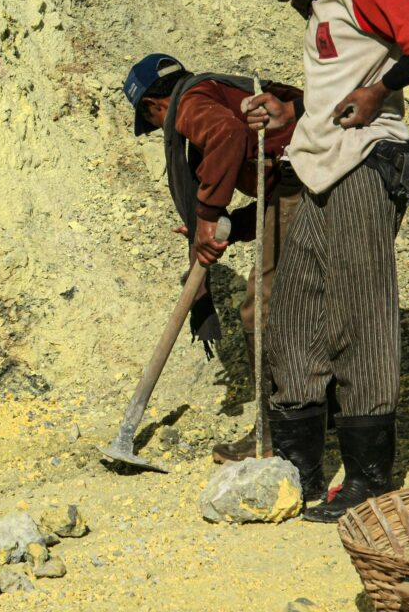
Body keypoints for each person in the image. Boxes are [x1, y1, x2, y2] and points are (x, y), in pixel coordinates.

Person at [227, 0, 409, 522]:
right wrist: (289, 109)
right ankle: (298, 468)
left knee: (359, 316)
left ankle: (367, 480)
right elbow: (337, 79)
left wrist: (383, 90)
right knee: (295, 312)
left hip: (364, 165)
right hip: (319, 166)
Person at [122, 54, 304, 462]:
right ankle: (311, 415)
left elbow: (225, 135)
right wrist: (227, 225)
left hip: (311, 185)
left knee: (263, 310)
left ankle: (275, 432)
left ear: (154, 106)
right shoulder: (216, 93)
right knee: (307, 307)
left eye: (152, 124)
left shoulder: (190, 102)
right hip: (310, 183)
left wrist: (206, 215)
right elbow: (271, 193)